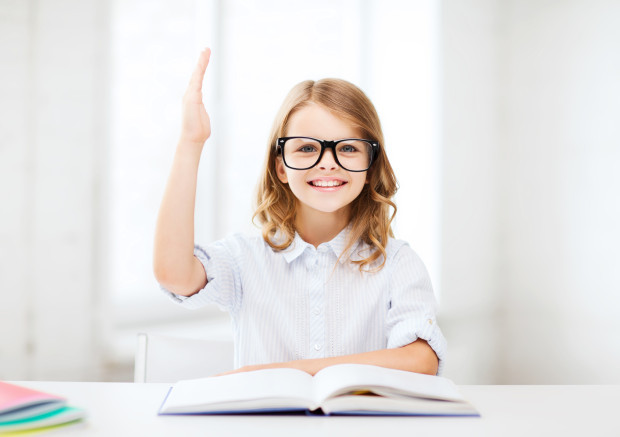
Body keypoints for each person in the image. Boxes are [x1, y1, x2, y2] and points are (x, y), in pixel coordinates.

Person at [153, 48, 446, 376]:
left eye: (348, 148)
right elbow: (174, 275)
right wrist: (191, 142)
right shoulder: (244, 258)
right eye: (307, 148)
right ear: (280, 167)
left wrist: (293, 371)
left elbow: (422, 361)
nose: (327, 162)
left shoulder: (397, 263)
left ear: (370, 165)